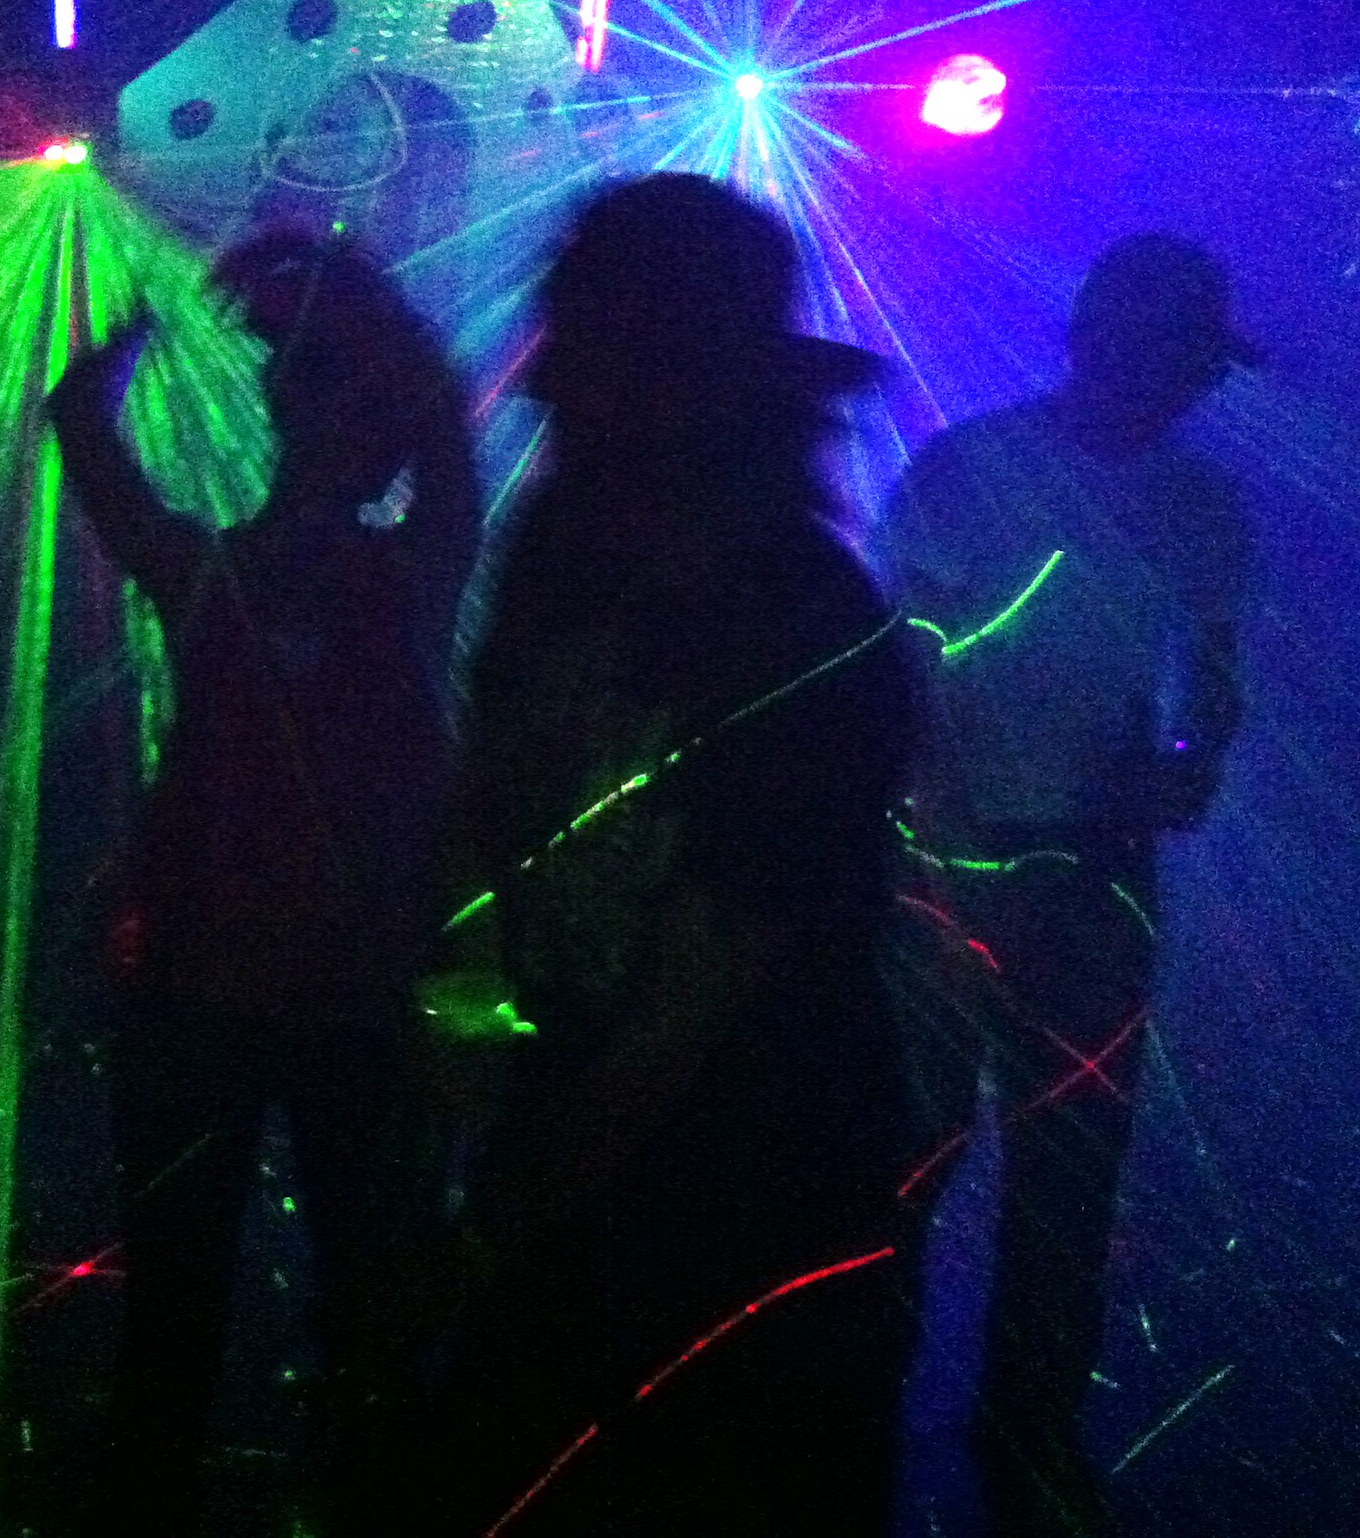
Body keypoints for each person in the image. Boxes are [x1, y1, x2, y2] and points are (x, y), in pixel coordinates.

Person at [424, 174, 914, 1536]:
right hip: (579, 1179)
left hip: (755, 1216)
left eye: (574, 337)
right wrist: (464, 1009)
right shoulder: (559, 552)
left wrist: (483, 1230)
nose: (538, 378)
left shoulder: (804, 620)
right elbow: (485, 803)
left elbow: (701, 994)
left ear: (668, 369)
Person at [45, 231, 480, 1536]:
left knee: (227, 1319)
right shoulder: (368, 576)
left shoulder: (284, 575)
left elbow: (84, 429)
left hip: (260, 997)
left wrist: (320, 305)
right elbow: (84, 432)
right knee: (320, 1311)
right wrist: (348, 312)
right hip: (273, 996)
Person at [886, 232, 1259, 1538]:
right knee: (911, 1166)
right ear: (1106, 343)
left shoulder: (1200, 504)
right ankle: (878, 1422)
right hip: (948, 866)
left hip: (1094, 871)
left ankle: (1023, 1436)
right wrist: (935, 840)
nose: (1197, 386)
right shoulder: (971, 468)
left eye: (1203, 367)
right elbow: (893, 672)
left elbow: (1211, 675)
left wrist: (1190, 759)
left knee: (1069, 1178)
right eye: (1188, 359)